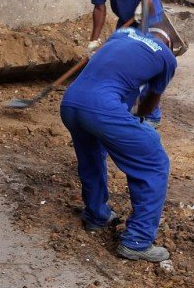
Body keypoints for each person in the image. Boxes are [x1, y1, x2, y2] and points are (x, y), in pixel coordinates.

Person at [60, 26, 178, 262]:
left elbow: (121, 82)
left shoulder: (121, 36)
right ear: (170, 44)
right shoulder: (167, 57)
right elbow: (150, 102)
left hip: (71, 102)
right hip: (101, 107)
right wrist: (141, 121)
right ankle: (137, 241)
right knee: (153, 164)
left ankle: (96, 215)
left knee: (91, 157)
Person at [81, 0, 166, 125]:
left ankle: (152, 115)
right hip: (127, 19)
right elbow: (100, 8)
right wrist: (94, 40)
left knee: (146, 63)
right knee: (121, 63)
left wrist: (145, 0)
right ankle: (128, 110)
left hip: (147, 15)